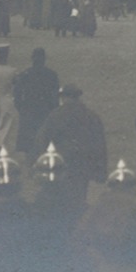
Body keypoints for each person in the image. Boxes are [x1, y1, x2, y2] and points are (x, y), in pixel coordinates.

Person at [32, 84, 108, 219]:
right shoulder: (91, 116)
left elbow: (43, 140)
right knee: (80, 196)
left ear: (63, 97)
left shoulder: (55, 116)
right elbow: (100, 144)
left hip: (63, 164)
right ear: (78, 98)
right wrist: (100, 170)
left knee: (62, 200)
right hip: (84, 164)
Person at [11, 47, 60, 154]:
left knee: (29, 141)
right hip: (45, 109)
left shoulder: (25, 74)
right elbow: (56, 96)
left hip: (29, 110)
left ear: (32, 59)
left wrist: (21, 107)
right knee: (44, 141)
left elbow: (16, 94)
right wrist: (53, 109)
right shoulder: (51, 74)